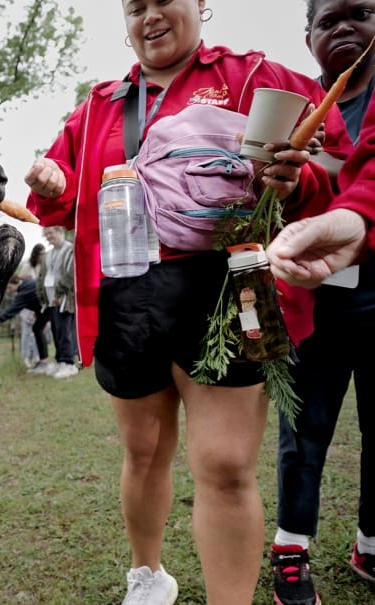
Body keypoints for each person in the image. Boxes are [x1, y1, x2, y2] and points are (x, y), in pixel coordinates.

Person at [23, 1, 351, 603]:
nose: (149, 16)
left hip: (227, 291)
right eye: (134, 6)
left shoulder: (253, 77)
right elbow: (62, 195)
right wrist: (52, 180)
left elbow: (339, 152)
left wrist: (299, 179)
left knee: (225, 466)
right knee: (144, 452)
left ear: (201, 4)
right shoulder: (99, 105)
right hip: (128, 293)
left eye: (162, 0)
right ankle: (149, 578)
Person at [270, 4, 375, 603]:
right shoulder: (292, 105)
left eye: (358, 12)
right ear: (307, 36)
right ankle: (291, 547)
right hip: (318, 296)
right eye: (326, 19)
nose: (342, 27)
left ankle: (370, 543)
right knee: (304, 428)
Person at [34, 226, 78, 379]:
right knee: (56, 332)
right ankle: (61, 362)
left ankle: (69, 364)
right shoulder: (48, 254)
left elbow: (72, 273)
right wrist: (42, 296)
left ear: (60, 231)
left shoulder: (71, 249)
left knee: (65, 332)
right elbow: (42, 276)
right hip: (50, 300)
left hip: (64, 298)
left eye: (50, 233)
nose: (48, 237)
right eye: (46, 234)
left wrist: (59, 293)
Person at [0, 274, 51, 369]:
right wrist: (37, 311)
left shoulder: (23, 292)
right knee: (37, 328)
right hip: (46, 309)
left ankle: (55, 362)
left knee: (47, 330)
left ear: (15, 283)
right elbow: (36, 298)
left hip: (52, 308)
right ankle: (44, 361)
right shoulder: (27, 285)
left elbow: (12, 309)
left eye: (9, 287)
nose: (8, 291)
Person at [19, 244, 47, 366]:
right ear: (36, 254)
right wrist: (26, 278)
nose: (44, 256)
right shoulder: (27, 266)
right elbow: (20, 282)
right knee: (26, 332)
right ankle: (25, 357)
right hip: (27, 305)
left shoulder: (43, 267)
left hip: (38, 304)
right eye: (42, 253)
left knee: (37, 331)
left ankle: (37, 356)